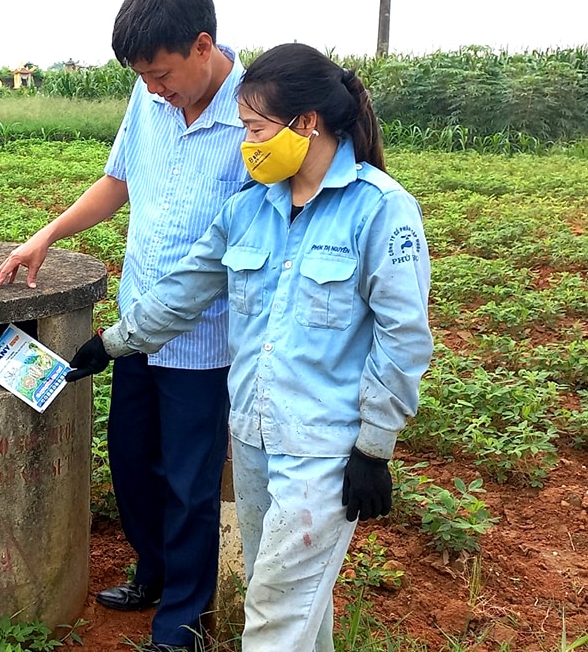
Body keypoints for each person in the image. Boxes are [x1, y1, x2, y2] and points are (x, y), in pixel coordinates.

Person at [65, 43, 433, 652]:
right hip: (255, 438)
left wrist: (374, 446)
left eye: (257, 130)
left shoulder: (382, 212)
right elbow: (185, 290)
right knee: (294, 607)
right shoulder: (250, 209)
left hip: (324, 450)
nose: (247, 145)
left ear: (305, 124)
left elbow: (403, 339)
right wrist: (112, 344)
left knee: (272, 617)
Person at [0, 0, 248, 652]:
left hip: (202, 341)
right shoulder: (150, 95)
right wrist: (46, 234)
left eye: (162, 75)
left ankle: (181, 624)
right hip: (135, 331)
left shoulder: (253, 117)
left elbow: (229, 258)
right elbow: (118, 180)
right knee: (131, 461)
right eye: (144, 78)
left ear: (202, 45)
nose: (155, 89)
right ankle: (155, 572)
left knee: (190, 485)